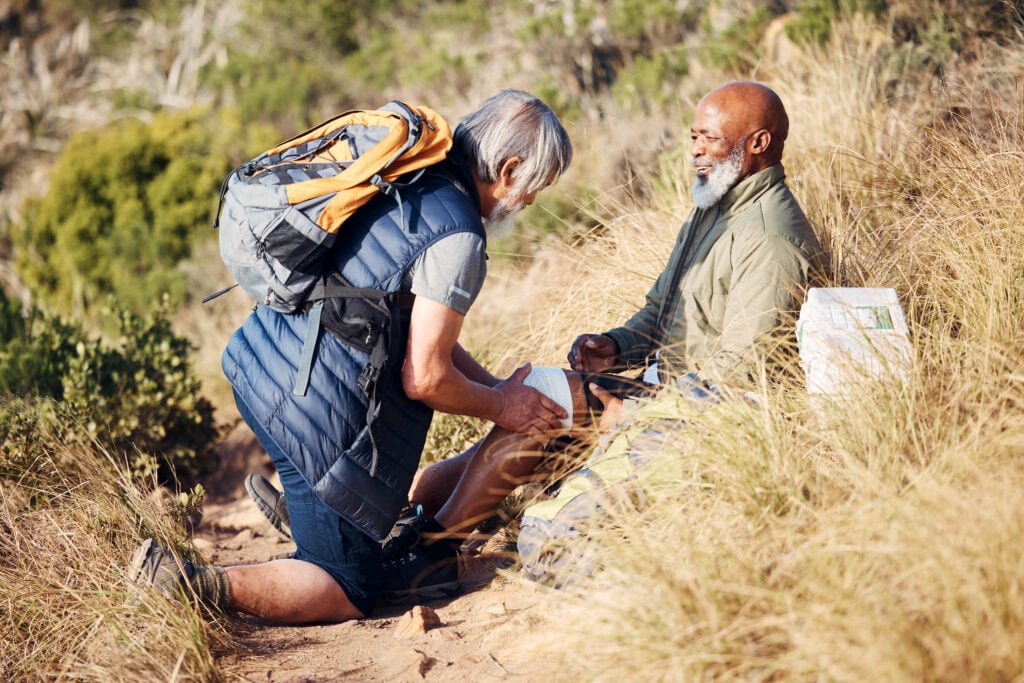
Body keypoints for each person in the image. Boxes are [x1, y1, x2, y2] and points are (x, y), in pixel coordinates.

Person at [126, 89, 574, 624]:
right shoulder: (459, 237)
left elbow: (411, 329)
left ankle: (313, 516)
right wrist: (504, 408)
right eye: (534, 188)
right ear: (510, 168)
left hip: (266, 363)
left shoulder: (412, 175)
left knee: (351, 532)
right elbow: (426, 376)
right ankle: (185, 583)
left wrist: (498, 388)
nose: (528, 203)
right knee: (350, 586)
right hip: (312, 409)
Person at [365, 80, 827, 593]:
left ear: (758, 143)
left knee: (539, 401)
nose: (695, 149)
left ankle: (429, 553)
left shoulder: (770, 237)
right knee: (535, 397)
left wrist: (635, 419)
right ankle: (395, 527)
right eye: (693, 135)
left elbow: (739, 377)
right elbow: (659, 312)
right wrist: (615, 345)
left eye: (710, 139)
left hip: (698, 415)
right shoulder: (712, 209)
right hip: (662, 392)